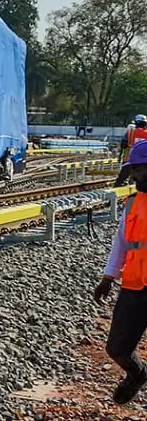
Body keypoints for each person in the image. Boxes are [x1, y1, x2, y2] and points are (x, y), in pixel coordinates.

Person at [94, 141, 147, 404]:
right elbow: (122, 243)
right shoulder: (133, 202)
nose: (134, 176)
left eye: (139, 169)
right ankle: (137, 374)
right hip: (135, 287)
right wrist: (107, 278)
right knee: (117, 349)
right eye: (133, 170)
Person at [115, 115, 147, 186]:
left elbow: (123, 145)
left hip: (129, 161)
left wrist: (120, 157)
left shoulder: (130, 133)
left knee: (120, 181)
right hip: (144, 162)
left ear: (135, 123)